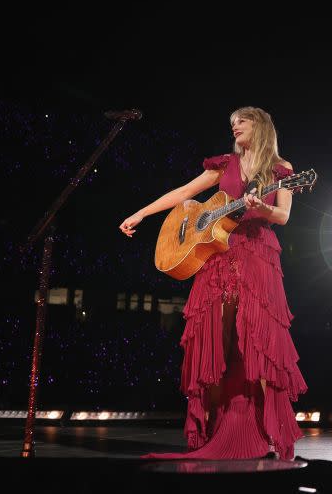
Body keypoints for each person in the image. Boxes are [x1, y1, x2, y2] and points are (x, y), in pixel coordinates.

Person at [119, 106, 306, 460]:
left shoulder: (281, 170)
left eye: (242, 122)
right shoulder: (224, 165)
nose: (234, 127)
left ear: (260, 125)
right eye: (232, 123)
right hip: (217, 257)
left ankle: (267, 432)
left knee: (258, 340)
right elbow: (184, 193)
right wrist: (141, 213)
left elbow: (282, 215)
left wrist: (260, 208)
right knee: (216, 341)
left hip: (257, 255)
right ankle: (215, 428)